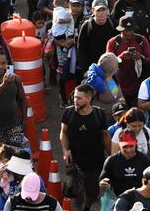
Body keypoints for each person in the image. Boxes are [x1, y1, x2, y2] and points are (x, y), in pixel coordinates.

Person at [59, 83, 111, 211]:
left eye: (79, 98)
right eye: (75, 97)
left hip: (95, 162)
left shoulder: (100, 114)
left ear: (89, 99)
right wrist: (65, 150)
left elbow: (106, 136)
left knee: (92, 194)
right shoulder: (68, 112)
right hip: (75, 164)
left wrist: (111, 157)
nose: (75, 100)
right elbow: (63, 132)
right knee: (75, 194)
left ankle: (87, 208)